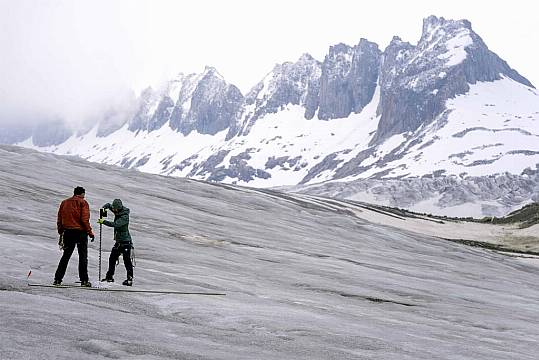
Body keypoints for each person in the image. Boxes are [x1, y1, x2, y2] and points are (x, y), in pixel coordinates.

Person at [54, 186, 95, 287]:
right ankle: (84, 280)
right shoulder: (83, 203)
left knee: (66, 256)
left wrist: (61, 231)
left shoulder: (65, 202)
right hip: (80, 233)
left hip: (68, 232)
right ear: (82, 194)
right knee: (83, 257)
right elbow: (84, 219)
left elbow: (60, 218)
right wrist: (90, 232)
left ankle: (58, 279)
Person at [98, 199, 134, 286]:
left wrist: (103, 222)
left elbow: (116, 224)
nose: (113, 210)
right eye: (113, 208)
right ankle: (109, 277)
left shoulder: (124, 216)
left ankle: (129, 279)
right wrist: (103, 210)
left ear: (118, 208)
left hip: (126, 242)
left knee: (127, 260)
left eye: (114, 209)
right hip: (118, 242)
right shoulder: (117, 210)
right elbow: (108, 204)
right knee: (112, 259)